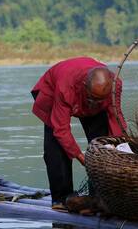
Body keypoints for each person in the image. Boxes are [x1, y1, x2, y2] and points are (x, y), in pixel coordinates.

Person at [31, 57, 126, 210]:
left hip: (92, 92)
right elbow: (61, 130)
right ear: (84, 86)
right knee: (56, 147)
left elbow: (115, 116)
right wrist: (80, 157)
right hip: (52, 90)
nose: (94, 104)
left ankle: (98, 196)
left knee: (102, 144)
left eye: (99, 100)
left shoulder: (115, 85)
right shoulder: (65, 88)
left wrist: (119, 145)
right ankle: (61, 197)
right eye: (92, 99)